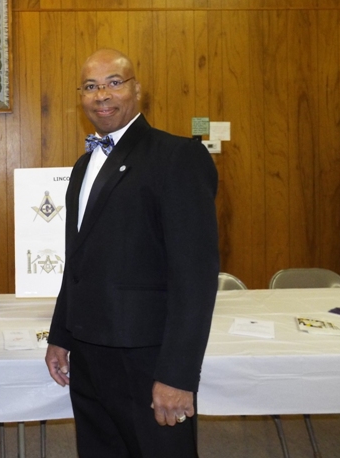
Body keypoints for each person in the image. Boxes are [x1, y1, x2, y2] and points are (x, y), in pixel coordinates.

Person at [45, 48, 220, 457]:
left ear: (137, 90)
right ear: (80, 97)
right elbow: (78, 261)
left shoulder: (177, 157)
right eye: (90, 86)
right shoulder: (83, 166)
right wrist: (61, 335)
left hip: (148, 360)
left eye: (114, 82)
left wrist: (178, 375)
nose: (102, 94)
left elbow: (195, 276)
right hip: (89, 355)